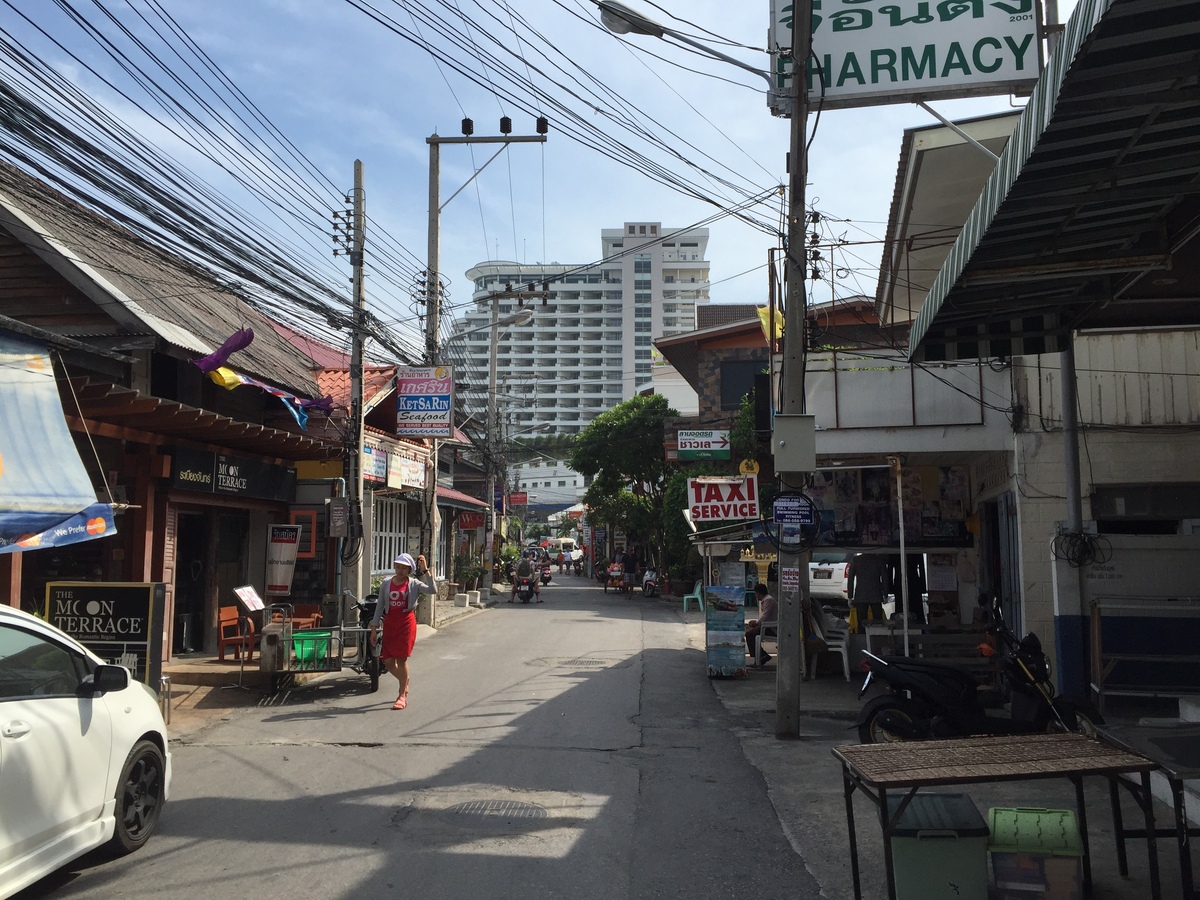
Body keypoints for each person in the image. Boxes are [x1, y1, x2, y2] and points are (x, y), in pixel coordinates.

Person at [369, 552, 437, 710]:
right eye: (398, 566)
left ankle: (402, 695)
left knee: (401, 659)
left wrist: (426, 570)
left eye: (404, 568)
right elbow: (380, 606)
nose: (400, 570)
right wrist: (374, 628)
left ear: (409, 570)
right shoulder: (386, 583)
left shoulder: (414, 583)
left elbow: (432, 590)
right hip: (390, 622)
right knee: (387, 661)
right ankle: (405, 680)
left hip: (406, 622)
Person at [847, 552, 888, 624]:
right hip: (876, 594)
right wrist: (885, 594)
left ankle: (862, 634)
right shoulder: (879, 560)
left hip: (861, 595)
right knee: (878, 622)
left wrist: (850, 596)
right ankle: (877, 635)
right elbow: (885, 578)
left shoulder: (856, 560)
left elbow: (850, 579)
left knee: (861, 622)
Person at [745, 583, 777, 665]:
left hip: (772, 627)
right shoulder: (766, 600)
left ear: (758, 593)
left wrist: (756, 623)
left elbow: (766, 615)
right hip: (767, 626)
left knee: (750, 634)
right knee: (750, 633)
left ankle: (762, 655)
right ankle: (762, 655)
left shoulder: (768, 600)